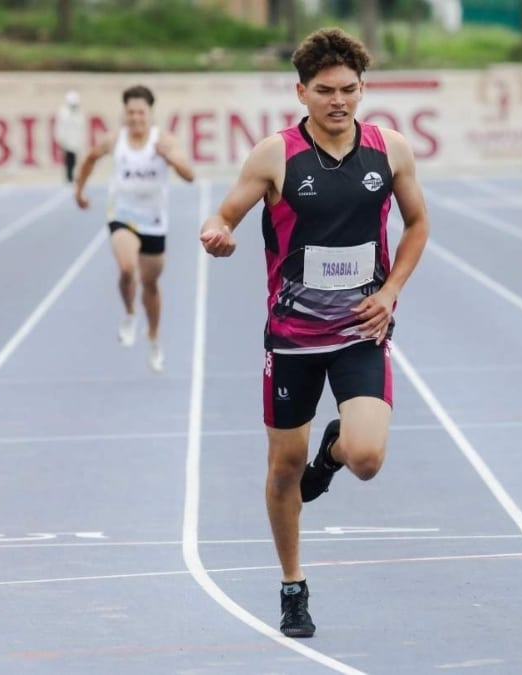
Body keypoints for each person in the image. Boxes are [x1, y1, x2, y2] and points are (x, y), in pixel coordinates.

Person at [198, 27, 430, 637]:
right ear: (301, 91)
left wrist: (390, 291)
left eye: (350, 89)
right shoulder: (275, 155)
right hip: (293, 340)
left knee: (367, 458)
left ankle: (332, 454)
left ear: (362, 89)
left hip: (361, 330)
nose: (339, 101)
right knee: (282, 471)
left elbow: (418, 226)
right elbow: (223, 216)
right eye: (325, 90)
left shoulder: (391, 150)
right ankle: (293, 587)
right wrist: (218, 236)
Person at [74, 85, 194, 370]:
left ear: (150, 114)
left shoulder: (163, 141)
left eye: (141, 112)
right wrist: (79, 190)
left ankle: (153, 336)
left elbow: (189, 175)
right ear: (124, 114)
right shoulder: (115, 140)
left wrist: (171, 158)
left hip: (153, 220)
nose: (136, 118)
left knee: (150, 283)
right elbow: (90, 157)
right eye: (131, 112)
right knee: (128, 269)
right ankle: (129, 312)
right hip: (122, 214)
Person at [55, 90, 85, 183]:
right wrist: (61, 139)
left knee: (73, 159)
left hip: (74, 140)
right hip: (67, 141)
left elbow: (80, 127)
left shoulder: (78, 113)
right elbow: (60, 127)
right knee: (68, 159)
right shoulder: (63, 113)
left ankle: (71, 175)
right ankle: (68, 176)